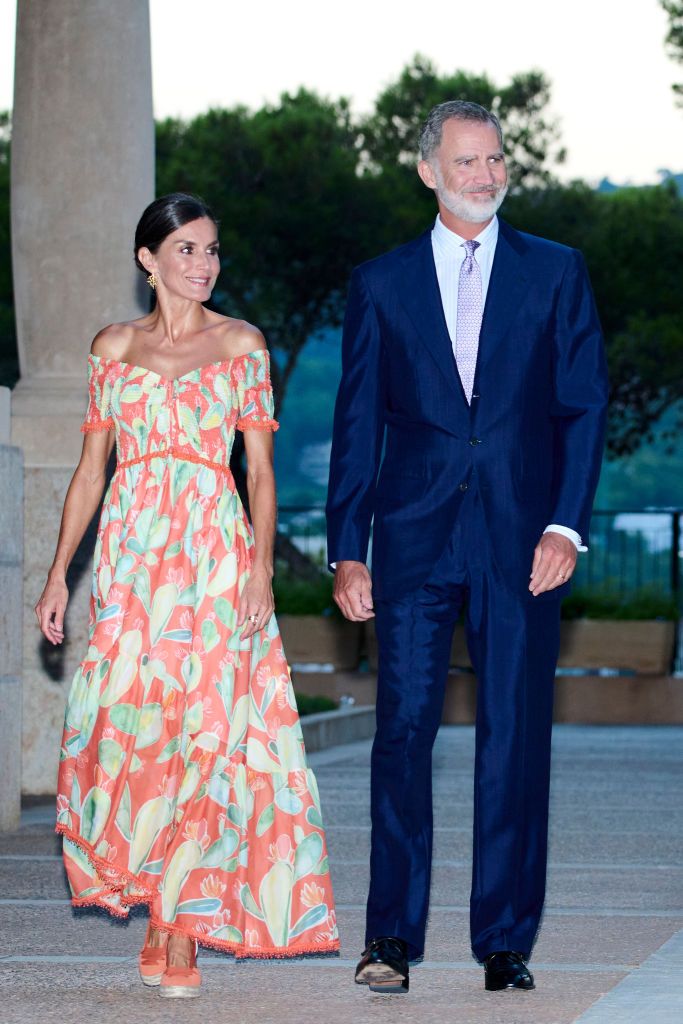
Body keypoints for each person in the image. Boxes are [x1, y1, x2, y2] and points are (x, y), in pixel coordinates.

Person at [326, 101, 608, 994]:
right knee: (401, 735)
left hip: (526, 542)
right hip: (410, 541)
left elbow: (582, 406)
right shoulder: (379, 283)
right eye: (466, 161)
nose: (484, 174)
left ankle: (504, 940)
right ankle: (390, 941)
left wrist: (565, 524)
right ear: (427, 170)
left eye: (494, 159)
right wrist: (347, 547)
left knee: (515, 738)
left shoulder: (557, 273)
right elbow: (357, 423)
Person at [36, 193, 339, 998]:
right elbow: (91, 473)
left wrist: (260, 570)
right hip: (134, 564)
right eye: (187, 251)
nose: (203, 265)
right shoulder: (112, 348)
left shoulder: (241, 344)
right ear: (149, 259)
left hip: (211, 554)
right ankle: (160, 899)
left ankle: (178, 928)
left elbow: (262, 474)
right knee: (132, 730)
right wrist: (60, 573)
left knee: (208, 733)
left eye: (211, 251)